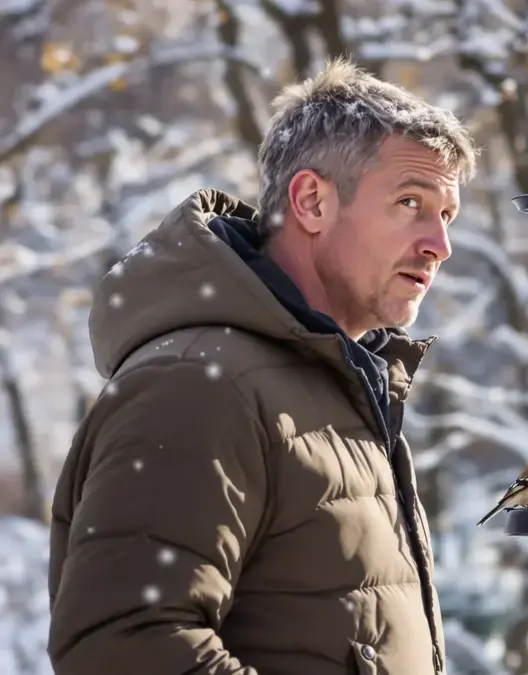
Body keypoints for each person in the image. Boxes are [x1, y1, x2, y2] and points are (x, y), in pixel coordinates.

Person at [46, 58, 475, 675]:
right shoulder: (198, 387)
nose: (440, 244)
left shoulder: (336, 389)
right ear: (311, 201)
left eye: (447, 216)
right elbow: (123, 645)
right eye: (411, 202)